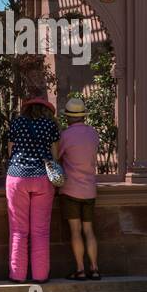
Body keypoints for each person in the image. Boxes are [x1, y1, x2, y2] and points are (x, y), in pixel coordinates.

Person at [5, 95, 61, 284]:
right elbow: (54, 154)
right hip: (42, 177)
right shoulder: (50, 125)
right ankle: (40, 276)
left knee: (18, 230)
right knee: (41, 230)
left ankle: (18, 275)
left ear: (26, 108)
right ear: (46, 109)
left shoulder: (17, 123)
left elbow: (10, 150)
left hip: (17, 176)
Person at [57, 96, 101, 280]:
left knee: (75, 231)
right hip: (90, 189)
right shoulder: (94, 134)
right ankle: (95, 268)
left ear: (68, 117)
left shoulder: (65, 135)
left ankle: (81, 269)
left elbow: (57, 157)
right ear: (83, 116)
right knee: (89, 230)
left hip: (70, 190)